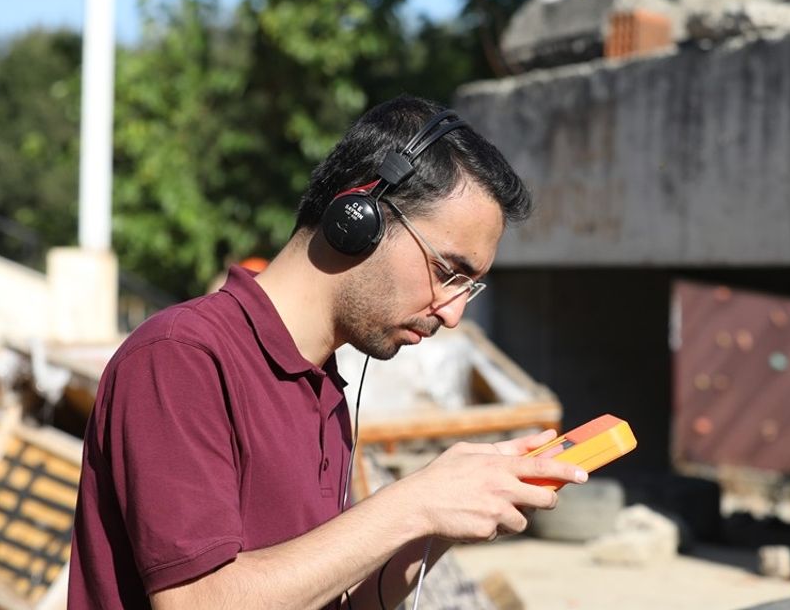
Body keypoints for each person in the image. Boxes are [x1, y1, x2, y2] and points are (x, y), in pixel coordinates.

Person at [68, 96, 587, 609]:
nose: (453, 313)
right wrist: (416, 503)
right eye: (447, 272)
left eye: (468, 288)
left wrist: (444, 521)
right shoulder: (181, 357)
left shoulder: (326, 388)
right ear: (359, 217)